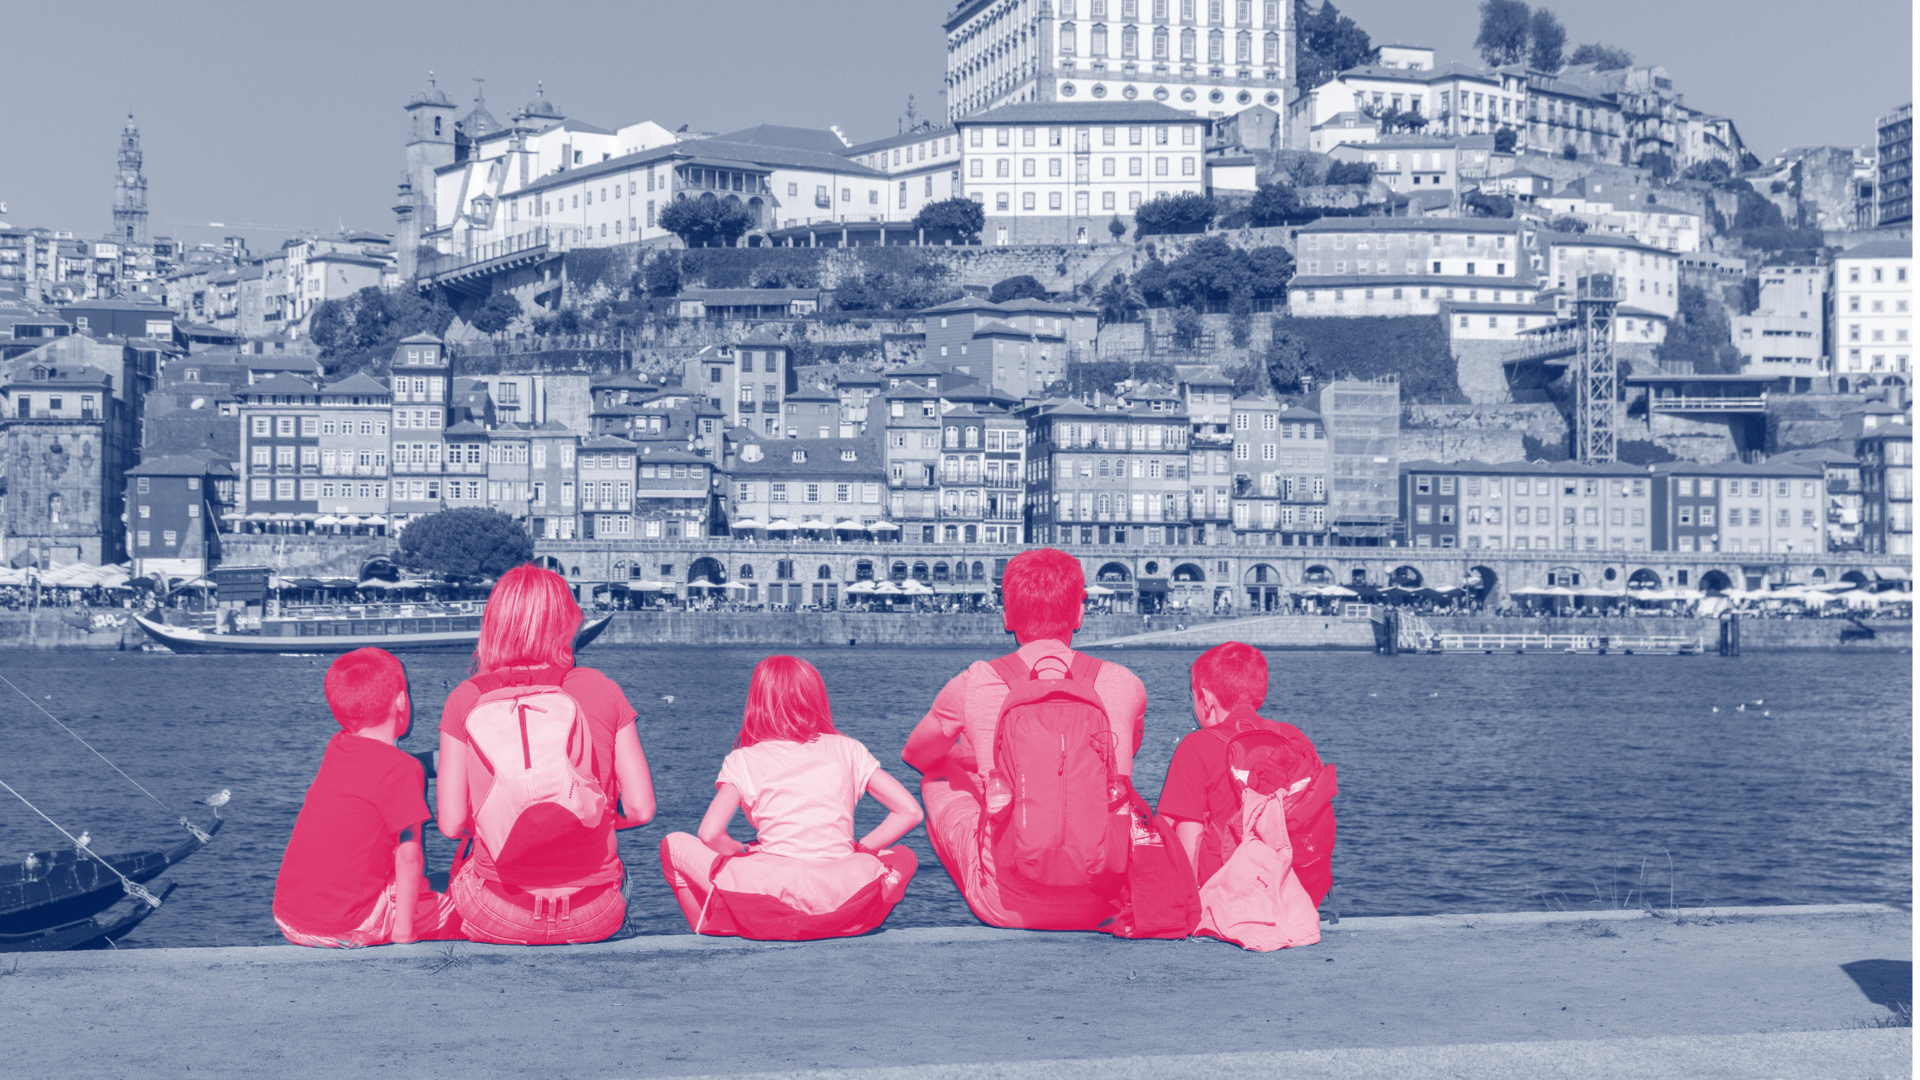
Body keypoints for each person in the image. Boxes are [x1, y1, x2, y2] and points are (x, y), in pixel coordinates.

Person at [900, 547, 1146, 930]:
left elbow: (916, 754)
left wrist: (974, 758)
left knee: (937, 774)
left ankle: (993, 874)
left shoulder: (977, 680)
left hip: (1003, 907)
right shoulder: (1125, 684)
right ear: (1080, 614)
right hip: (1105, 904)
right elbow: (1121, 756)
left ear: (1007, 616)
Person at [436, 565, 656, 945]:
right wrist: (576, 822)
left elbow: (452, 825)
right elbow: (641, 810)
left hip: (500, 913)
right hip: (594, 913)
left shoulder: (466, 698)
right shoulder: (602, 689)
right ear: (569, 623)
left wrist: (517, 827)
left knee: (458, 872)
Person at [660, 655, 922, 939]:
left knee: (672, 845)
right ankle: (853, 919)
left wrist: (740, 851)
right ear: (816, 697)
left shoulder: (744, 759)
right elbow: (910, 812)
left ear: (757, 701)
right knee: (904, 856)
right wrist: (864, 848)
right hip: (839, 891)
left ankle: (708, 932)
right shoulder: (849, 749)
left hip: (771, 892)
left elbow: (710, 834)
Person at [273, 648, 464, 947]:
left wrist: (450, 761)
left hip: (291, 918)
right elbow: (409, 857)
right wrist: (404, 932)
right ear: (402, 701)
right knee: (459, 891)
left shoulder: (338, 746)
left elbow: (384, 768)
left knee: (423, 882)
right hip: (344, 926)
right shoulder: (402, 770)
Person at [1154, 641, 1337, 909]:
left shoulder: (1196, 746)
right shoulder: (1293, 736)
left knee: (1171, 824)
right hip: (1295, 897)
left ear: (1205, 699)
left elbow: (1184, 843)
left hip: (1228, 901)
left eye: (1192, 698)